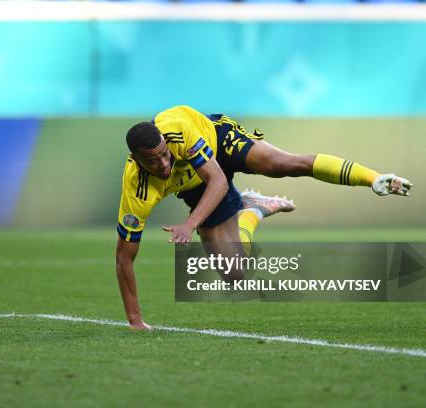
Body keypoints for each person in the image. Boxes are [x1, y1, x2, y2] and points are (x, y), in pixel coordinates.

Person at [115, 105, 412, 330]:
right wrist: (135, 321)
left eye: (165, 154)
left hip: (216, 144)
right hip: (196, 185)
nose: (164, 164)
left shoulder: (180, 133)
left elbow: (218, 180)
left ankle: (373, 179)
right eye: (153, 161)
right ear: (136, 160)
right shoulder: (136, 188)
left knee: (283, 163)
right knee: (233, 274)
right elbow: (124, 258)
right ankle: (253, 210)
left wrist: (190, 224)